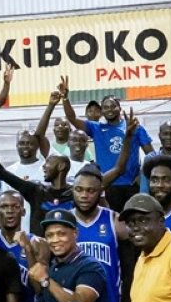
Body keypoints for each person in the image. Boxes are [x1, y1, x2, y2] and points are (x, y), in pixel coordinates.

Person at [59, 79, 155, 211]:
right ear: (102, 111)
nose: (109, 109)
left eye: (112, 106)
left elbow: (152, 156)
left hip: (132, 184)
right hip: (107, 185)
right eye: (105, 107)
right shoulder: (97, 128)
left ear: (119, 108)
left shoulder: (134, 127)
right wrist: (65, 98)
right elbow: (72, 119)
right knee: (111, 223)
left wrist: (142, 175)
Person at [72, 166, 129, 302]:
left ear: (100, 191)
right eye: (79, 190)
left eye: (91, 191)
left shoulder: (114, 220)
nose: (84, 195)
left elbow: (129, 266)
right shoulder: (64, 222)